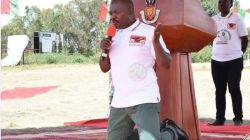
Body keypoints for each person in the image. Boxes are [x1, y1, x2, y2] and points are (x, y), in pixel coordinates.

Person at [99, 0, 171, 139]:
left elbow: (166, 64)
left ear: (130, 12)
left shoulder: (148, 32)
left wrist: (156, 43)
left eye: (117, 13)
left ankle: (170, 134)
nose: (113, 16)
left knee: (150, 138)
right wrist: (104, 51)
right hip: (120, 101)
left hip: (144, 99)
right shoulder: (113, 35)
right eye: (111, 13)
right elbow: (104, 68)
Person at [209, 0, 249, 126]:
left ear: (230, 5)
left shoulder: (237, 19)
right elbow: (209, 37)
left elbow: (245, 39)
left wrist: (239, 53)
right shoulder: (212, 20)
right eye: (220, 2)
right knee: (219, 90)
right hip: (216, 61)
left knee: (234, 88)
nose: (222, 4)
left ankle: (238, 118)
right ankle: (220, 118)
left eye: (225, 2)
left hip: (234, 61)